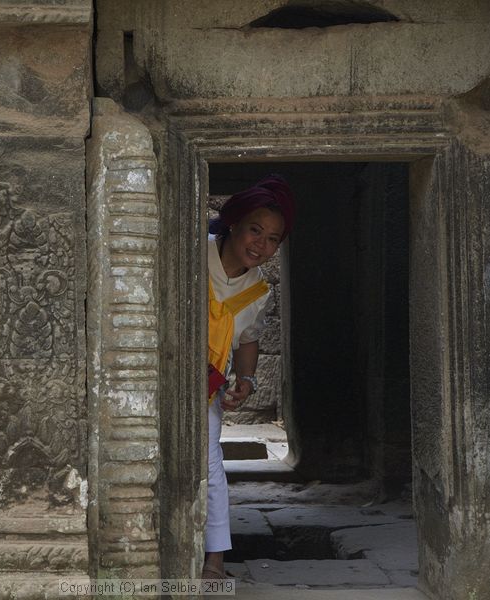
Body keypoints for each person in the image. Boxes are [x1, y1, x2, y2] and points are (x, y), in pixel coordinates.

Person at [202, 175, 294, 580]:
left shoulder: (257, 292)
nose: (261, 244)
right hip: (158, 380)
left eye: (273, 239)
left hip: (206, 389)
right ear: (233, 223)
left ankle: (214, 563)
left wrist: (247, 380)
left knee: (210, 464)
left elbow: (248, 341)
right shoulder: (194, 257)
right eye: (255, 230)